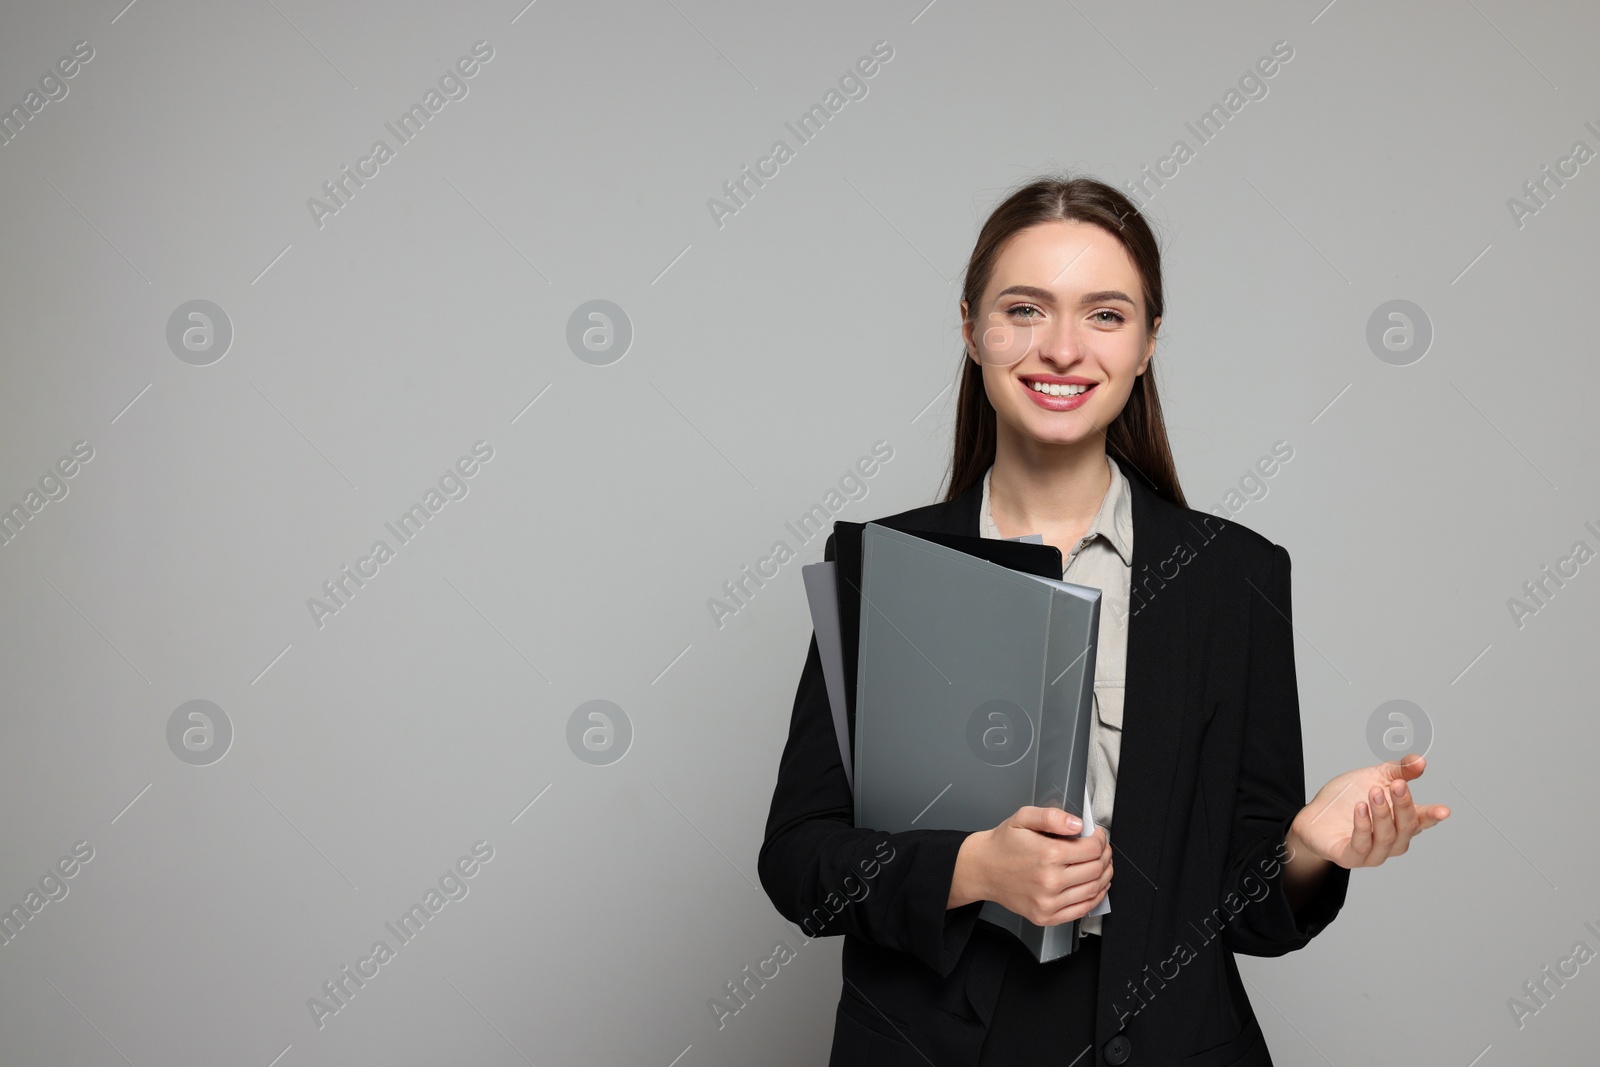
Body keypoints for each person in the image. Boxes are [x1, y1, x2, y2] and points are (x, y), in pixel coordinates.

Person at [757, 175, 1450, 1066]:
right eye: (1024, 309)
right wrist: (972, 868)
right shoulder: (887, 568)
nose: (1061, 349)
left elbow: (1252, 913)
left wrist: (1309, 848)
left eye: (1106, 315)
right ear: (972, 328)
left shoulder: (1234, 575)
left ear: (1149, 341)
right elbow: (799, 861)